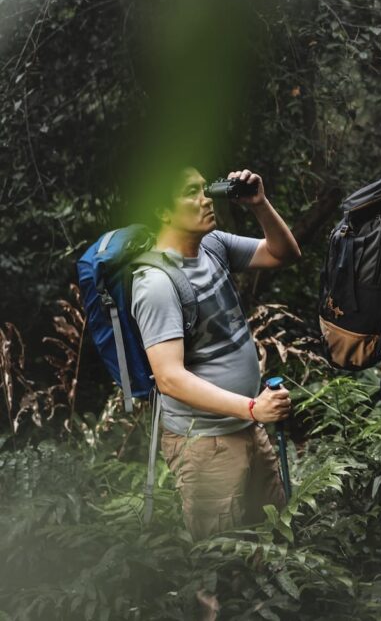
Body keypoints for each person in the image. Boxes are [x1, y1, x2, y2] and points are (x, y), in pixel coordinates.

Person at [132, 166, 301, 539]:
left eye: (204, 189)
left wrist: (259, 204)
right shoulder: (156, 283)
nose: (205, 199)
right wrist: (252, 408)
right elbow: (169, 377)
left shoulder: (213, 245)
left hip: (246, 425)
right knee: (222, 554)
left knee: (272, 537)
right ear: (161, 210)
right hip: (206, 443)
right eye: (190, 193)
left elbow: (283, 253)